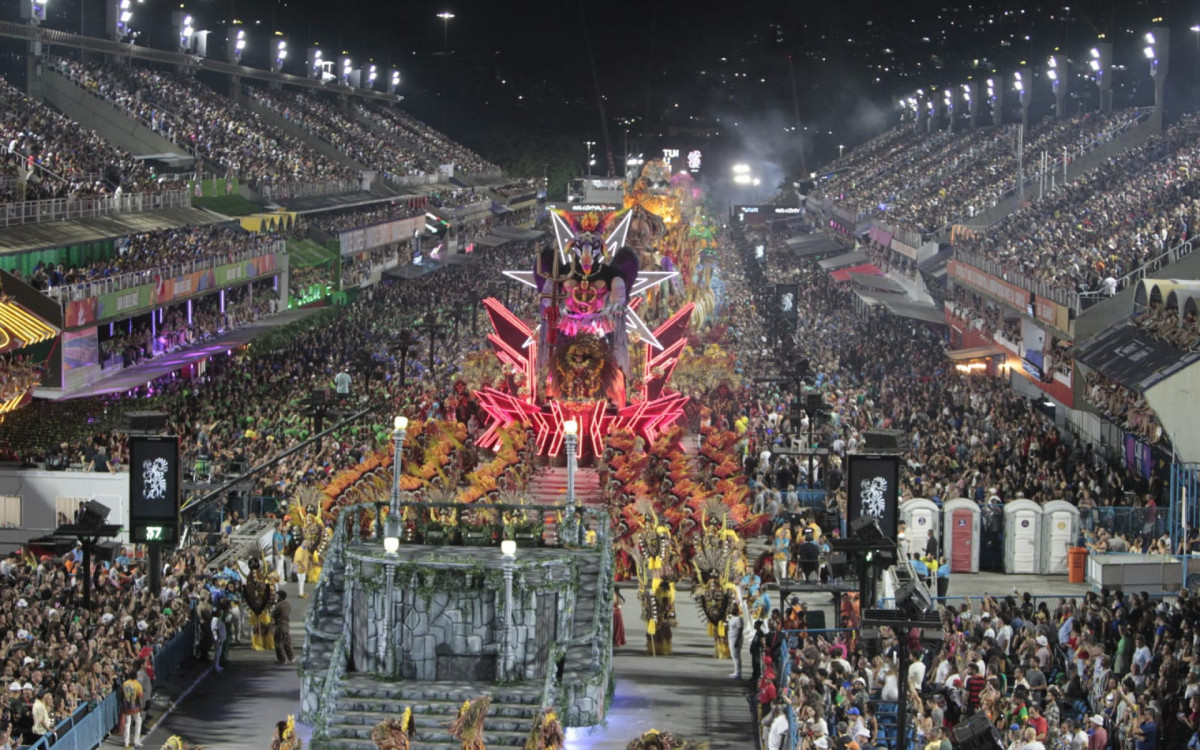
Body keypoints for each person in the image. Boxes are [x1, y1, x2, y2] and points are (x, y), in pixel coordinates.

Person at [121, 669, 145, 749]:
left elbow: (122, 694)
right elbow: (140, 697)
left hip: (126, 705)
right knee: (138, 721)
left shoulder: (124, 684)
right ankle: (136, 741)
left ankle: (126, 741)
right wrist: (141, 707)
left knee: (127, 723)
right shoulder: (138, 685)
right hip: (134, 706)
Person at [272, 590, 294, 664]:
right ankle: (291, 657)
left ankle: (282, 659)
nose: (275, 597)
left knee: (278, 642)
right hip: (286, 624)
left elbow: (273, 614)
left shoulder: (279, 605)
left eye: (277, 595)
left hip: (279, 624)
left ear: (280, 597)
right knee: (287, 641)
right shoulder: (287, 604)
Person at [727, 604, 744, 680]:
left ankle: (738, 672)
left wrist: (737, 640)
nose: (732, 610)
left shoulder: (739, 619)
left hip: (736, 638)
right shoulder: (732, 618)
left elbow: (740, 629)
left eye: (734, 609)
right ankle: (735, 671)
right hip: (731, 638)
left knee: (736, 656)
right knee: (733, 655)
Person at [212, 603, 229, 674]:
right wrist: (218, 638)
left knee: (218, 653)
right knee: (217, 653)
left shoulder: (216, 619)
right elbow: (215, 629)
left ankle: (217, 665)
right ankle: (216, 667)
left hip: (220, 638)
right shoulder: (215, 620)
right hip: (218, 639)